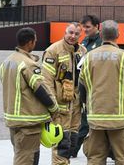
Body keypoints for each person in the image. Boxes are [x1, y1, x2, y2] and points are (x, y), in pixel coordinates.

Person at [78, 20, 124, 164]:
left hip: (95, 119)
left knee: (95, 158)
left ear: (101, 34)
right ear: (118, 35)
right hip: (120, 119)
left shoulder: (88, 57)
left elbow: (81, 89)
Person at [0, 27, 60, 165]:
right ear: (30, 42)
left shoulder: (7, 62)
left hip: (13, 119)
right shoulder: (28, 64)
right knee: (27, 158)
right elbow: (40, 89)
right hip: (28, 121)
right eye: (35, 40)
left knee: (20, 154)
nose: (35, 43)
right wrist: (54, 108)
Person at [41, 22, 86, 164]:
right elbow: (46, 80)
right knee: (61, 143)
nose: (73, 36)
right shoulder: (53, 51)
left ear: (80, 35)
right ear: (65, 32)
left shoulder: (83, 51)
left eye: (76, 34)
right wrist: (52, 105)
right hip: (60, 107)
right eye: (70, 32)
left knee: (72, 142)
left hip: (77, 106)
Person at [70, 14, 103, 158]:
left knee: (85, 121)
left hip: (96, 87)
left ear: (97, 27)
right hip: (83, 85)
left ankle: (73, 149)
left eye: (88, 27)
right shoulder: (84, 40)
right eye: (83, 27)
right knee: (82, 120)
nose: (85, 29)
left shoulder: (101, 42)